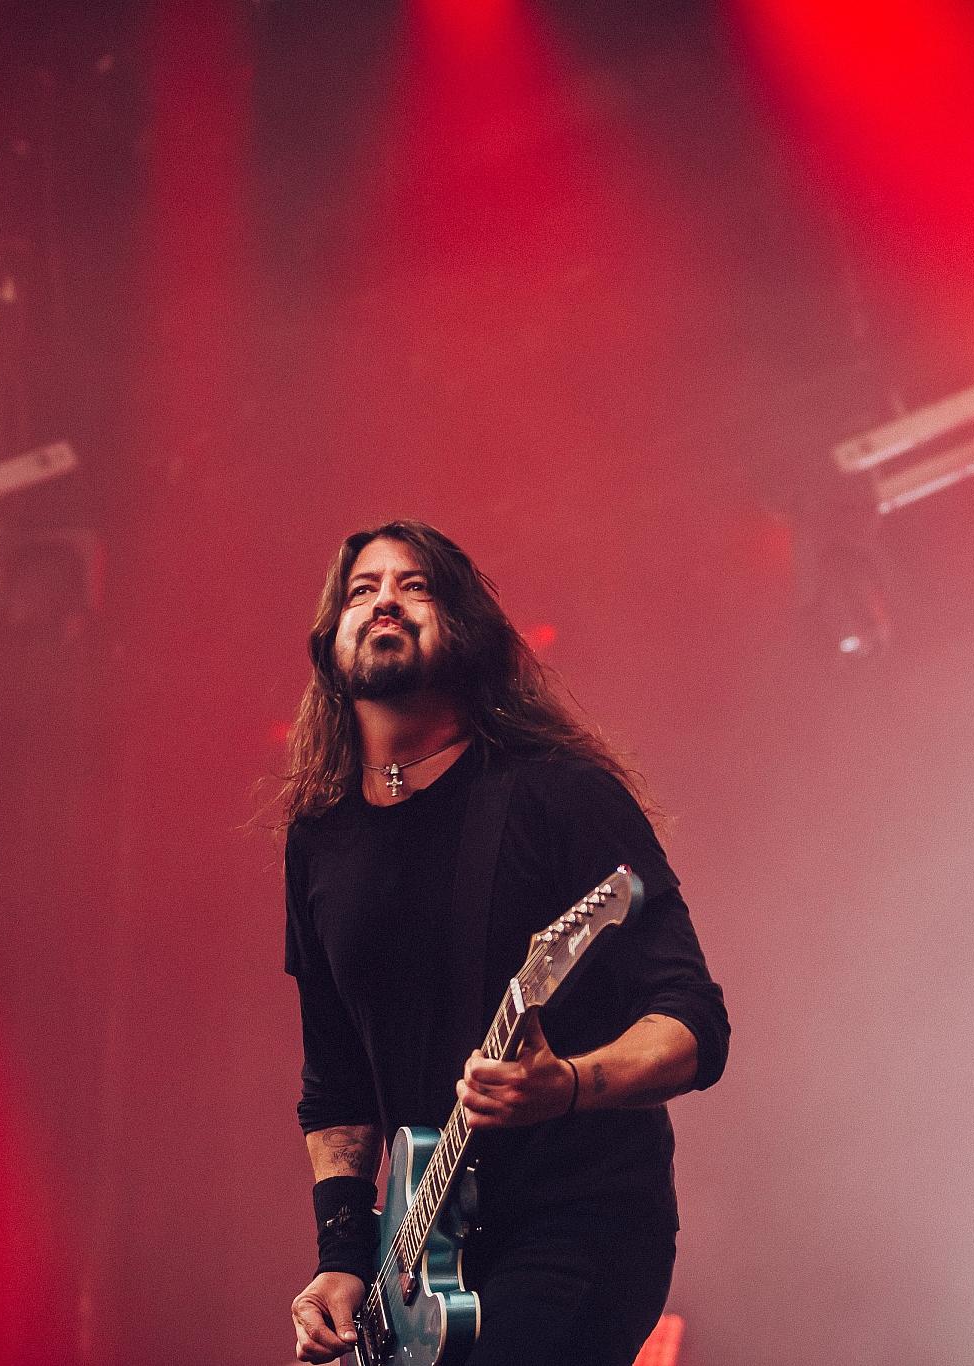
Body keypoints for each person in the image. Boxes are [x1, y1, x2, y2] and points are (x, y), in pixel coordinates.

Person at [279, 520, 729, 1366]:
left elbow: (694, 1021)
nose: (385, 601)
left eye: (415, 586)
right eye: (361, 589)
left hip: (579, 1219)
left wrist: (564, 1086)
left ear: (468, 630)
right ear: (329, 644)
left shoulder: (559, 796)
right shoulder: (319, 841)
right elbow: (334, 1075)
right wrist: (342, 1257)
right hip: (421, 1257)